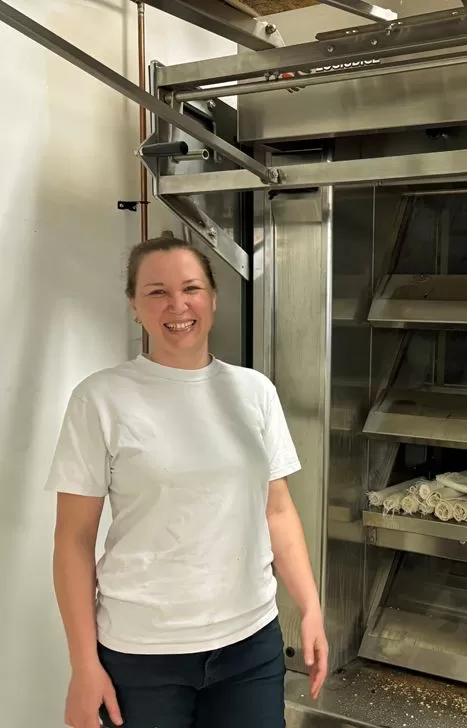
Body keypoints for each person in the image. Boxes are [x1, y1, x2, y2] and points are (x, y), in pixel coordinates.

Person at [46, 236, 328, 728]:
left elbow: (277, 510)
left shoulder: (254, 392)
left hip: (250, 646)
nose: (178, 305)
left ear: (213, 299)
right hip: (141, 655)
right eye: (157, 292)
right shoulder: (100, 399)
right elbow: (73, 539)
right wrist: (83, 664)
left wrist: (310, 606)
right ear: (134, 306)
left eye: (191, 288)